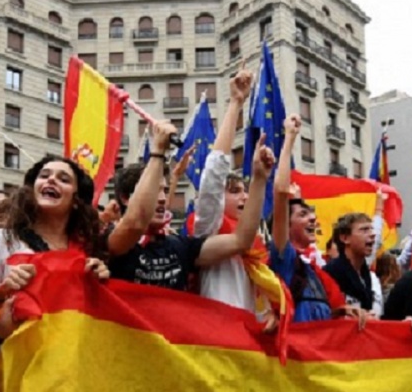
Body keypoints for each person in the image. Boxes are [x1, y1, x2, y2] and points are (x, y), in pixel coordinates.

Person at [106, 120, 274, 292]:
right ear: (126, 198)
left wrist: (259, 180)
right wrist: (158, 152)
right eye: (155, 191)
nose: (163, 199)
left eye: (164, 190)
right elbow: (135, 223)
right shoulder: (110, 242)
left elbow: (240, 241)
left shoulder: (179, 246)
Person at [192, 60, 279, 328]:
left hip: (249, 350)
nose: (244, 198)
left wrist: (271, 315)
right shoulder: (207, 230)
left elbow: (259, 305)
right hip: (217, 346)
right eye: (234, 192)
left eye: (245, 191)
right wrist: (235, 104)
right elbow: (213, 174)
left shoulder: (257, 253)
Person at [270, 114, 364, 325]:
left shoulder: (314, 270)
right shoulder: (284, 259)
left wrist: (341, 312)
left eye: (311, 213)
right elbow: (280, 191)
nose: (313, 218)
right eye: (303, 214)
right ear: (285, 224)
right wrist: (290, 139)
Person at [0, 156, 110, 304]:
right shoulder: (1, 239)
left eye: (64, 179)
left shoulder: (86, 250)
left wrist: (98, 283)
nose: (51, 180)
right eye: (44, 176)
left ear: (76, 201)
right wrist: (1, 291)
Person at [324, 213, 383, 317]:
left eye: (371, 229)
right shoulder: (329, 274)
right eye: (364, 230)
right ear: (345, 238)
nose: (372, 234)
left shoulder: (370, 277)